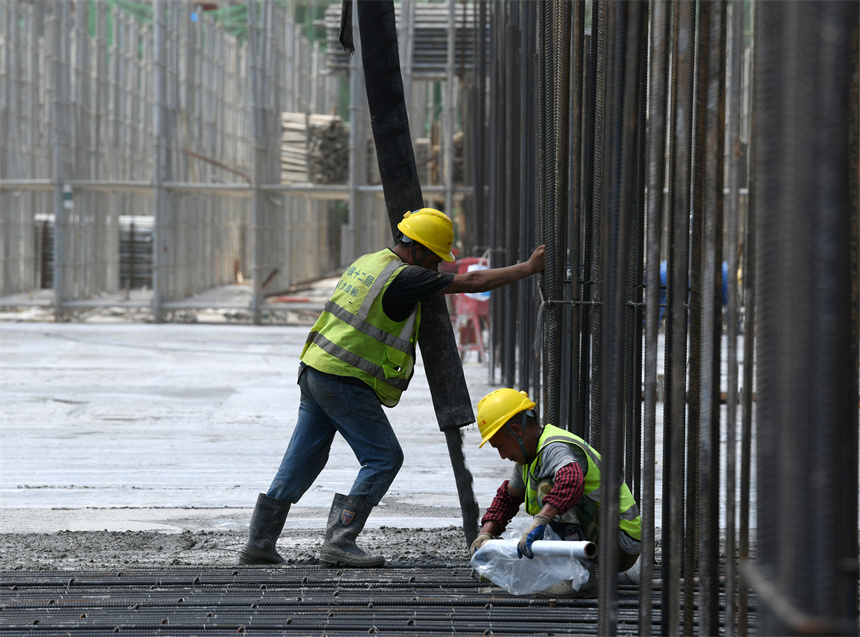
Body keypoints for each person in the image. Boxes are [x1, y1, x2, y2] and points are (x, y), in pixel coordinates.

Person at [239, 208, 546, 568]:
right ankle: (340, 541)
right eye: (434, 257)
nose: (436, 266)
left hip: (315, 369)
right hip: (343, 378)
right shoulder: (406, 278)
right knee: (384, 458)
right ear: (416, 250)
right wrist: (527, 268)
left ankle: (259, 542)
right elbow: (473, 284)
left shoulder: (370, 262)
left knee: (301, 460)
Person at [469, 388, 641, 590]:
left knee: (547, 487)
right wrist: (485, 534)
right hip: (601, 536)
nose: (502, 455)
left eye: (499, 445)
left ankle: (579, 577)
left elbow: (571, 481)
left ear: (516, 431)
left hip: (621, 542)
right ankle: (568, 571)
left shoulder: (554, 447)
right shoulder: (527, 460)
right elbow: (507, 498)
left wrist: (541, 520)